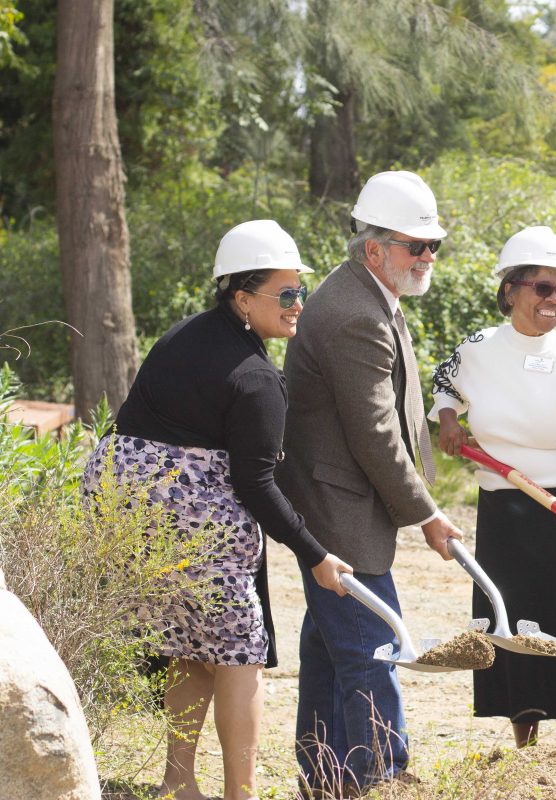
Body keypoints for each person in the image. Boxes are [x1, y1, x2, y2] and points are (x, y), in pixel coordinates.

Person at [82, 220, 352, 800]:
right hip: (199, 526)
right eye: (286, 293)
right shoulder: (257, 379)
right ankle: (242, 792)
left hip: (129, 516)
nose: (298, 304)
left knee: (186, 643)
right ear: (242, 297)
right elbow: (255, 484)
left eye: (300, 290)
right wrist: (316, 555)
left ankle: (178, 783)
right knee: (239, 655)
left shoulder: (181, 336)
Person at [277, 171, 464, 796]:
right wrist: (427, 513)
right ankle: (383, 778)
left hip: (335, 500)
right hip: (337, 507)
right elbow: (375, 431)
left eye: (433, 246)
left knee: (333, 648)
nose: (427, 257)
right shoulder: (355, 312)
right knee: (374, 646)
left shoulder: (368, 293)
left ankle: (326, 778)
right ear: (375, 247)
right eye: (417, 246)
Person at [430, 225, 556, 747]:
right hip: (505, 510)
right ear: (510, 290)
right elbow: (443, 382)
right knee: (514, 623)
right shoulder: (476, 348)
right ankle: (525, 749)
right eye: (542, 287)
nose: (554, 300)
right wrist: (449, 418)